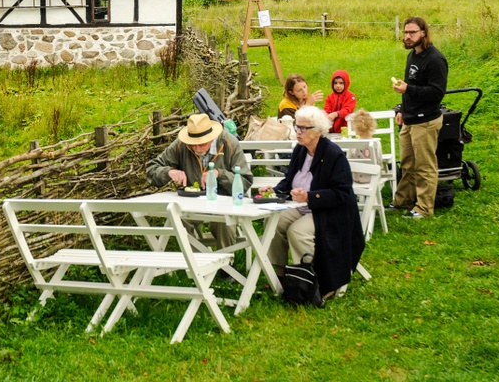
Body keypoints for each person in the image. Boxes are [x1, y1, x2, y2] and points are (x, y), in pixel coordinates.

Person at [267, 106, 365, 300]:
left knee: (298, 231)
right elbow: (289, 180)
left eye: (304, 128)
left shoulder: (333, 155)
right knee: (274, 223)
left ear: (319, 131)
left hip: (332, 211)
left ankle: (313, 280)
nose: (299, 132)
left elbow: (342, 193)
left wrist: (311, 197)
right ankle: (280, 277)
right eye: (297, 127)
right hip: (301, 206)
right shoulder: (300, 150)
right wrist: (274, 191)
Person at [146, 113, 253, 248]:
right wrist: (169, 172)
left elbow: (245, 182)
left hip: (224, 203)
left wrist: (219, 174)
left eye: (201, 143)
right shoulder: (181, 145)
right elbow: (152, 168)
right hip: (191, 204)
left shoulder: (229, 143)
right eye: (193, 144)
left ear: (212, 137)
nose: (196, 148)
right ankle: (195, 265)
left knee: (223, 223)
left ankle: (226, 266)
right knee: (180, 221)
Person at [390, 16, 448, 219]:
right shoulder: (412, 56)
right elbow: (411, 89)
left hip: (426, 121)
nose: (407, 36)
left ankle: (423, 208)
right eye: (406, 32)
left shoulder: (435, 60)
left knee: (424, 167)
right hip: (410, 119)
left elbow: (436, 93)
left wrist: (409, 88)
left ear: (423, 33)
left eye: (412, 32)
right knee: (407, 164)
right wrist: (402, 111)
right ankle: (403, 201)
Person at [324, 70, 357, 135]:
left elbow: (347, 109)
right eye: (335, 83)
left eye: (341, 83)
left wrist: (336, 114)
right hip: (329, 130)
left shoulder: (350, 97)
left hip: (345, 131)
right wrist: (326, 115)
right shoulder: (329, 97)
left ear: (346, 83)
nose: (338, 86)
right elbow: (327, 109)